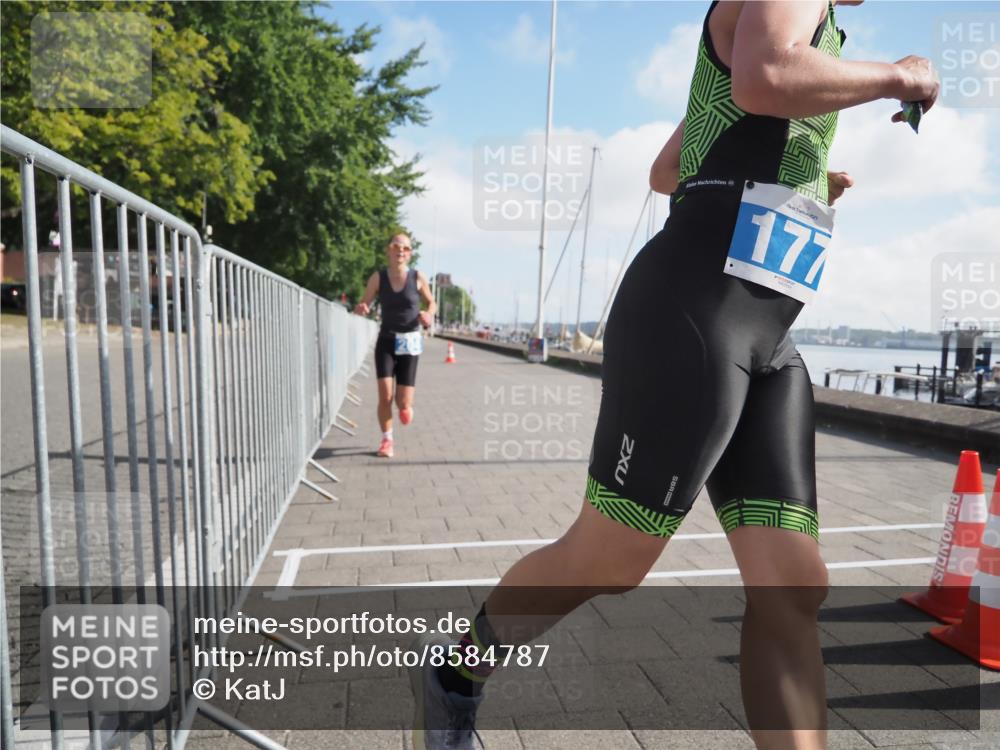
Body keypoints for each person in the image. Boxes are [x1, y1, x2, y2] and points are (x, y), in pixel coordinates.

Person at [410, 2, 940, 749]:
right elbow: (766, 77)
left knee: (793, 585)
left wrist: (805, 178)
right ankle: (456, 675)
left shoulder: (814, 28)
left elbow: (668, 170)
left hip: (769, 338)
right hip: (693, 316)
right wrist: (901, 76)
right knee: (612, 557)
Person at [354, 233, 436, 458]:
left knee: (403, 402)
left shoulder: (417, 277)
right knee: (385, 396)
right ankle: (387, 440)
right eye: (396, 246)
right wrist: (361, 308)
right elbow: (364, 303)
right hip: (387, 339)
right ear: (388, 250)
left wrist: (428, 315)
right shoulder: (378, 278)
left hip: (410, 340)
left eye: (406, 248)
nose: (401, 251)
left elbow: (432, 302)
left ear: (410, 253)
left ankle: (406, 407)